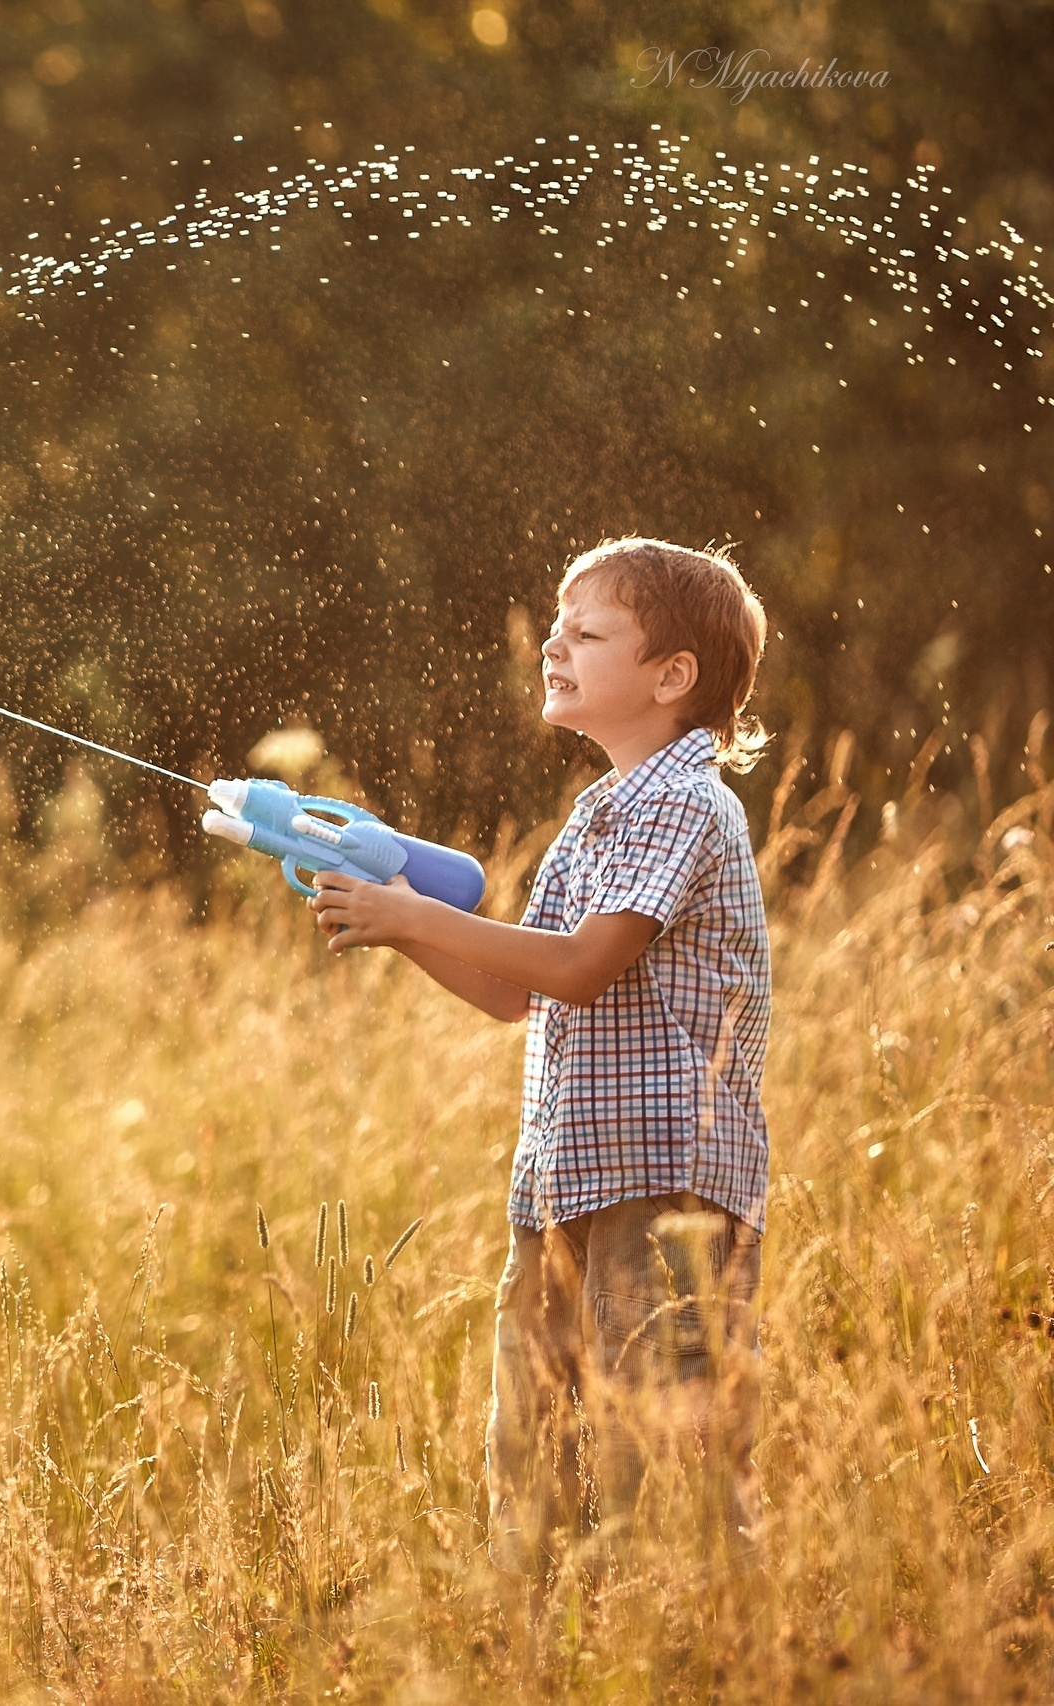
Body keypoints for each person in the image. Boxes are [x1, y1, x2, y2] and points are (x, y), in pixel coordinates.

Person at [307, 537, 772, 1581]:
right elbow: (516, 992)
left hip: (668, 1196)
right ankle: (547, 1651)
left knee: (666, 1456)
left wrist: (413, 908)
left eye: (587, 631)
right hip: (564, 1188)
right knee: (534, 1456)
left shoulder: (684, 802)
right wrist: (397, 926)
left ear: (671, 676)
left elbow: (580, 965)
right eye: (556, 626)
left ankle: (714, 1655)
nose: (553, 643)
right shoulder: (597, 814)